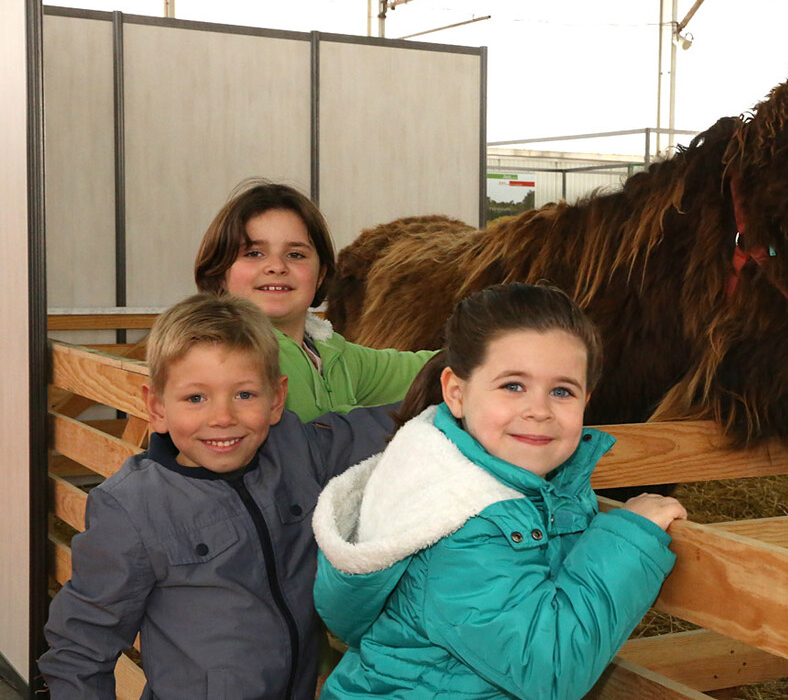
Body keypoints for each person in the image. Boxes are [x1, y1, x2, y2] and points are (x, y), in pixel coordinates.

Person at [313, 283, 685, 699]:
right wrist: (631, 537)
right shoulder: (458, 521)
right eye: (513, 386)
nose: (539, 410)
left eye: (562, 391)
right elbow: (551, 668)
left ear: (587, 400)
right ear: (456, 392)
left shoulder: (518, 479)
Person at [39, 294, 396, 700]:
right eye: (196, 398)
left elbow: (381, 426)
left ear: (276, 399)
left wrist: (463, 392)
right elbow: (81, 646)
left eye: (244, 395)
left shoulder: (295, 451)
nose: (223, 417)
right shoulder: (133, 508)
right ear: (156, 407)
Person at [195, 180, 434, 423]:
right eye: (254, 253)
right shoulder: (217, 354)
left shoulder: (333, 353)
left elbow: (429, 369)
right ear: (219, 272)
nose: (277, 266)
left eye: (295, 254)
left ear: (320, 275)